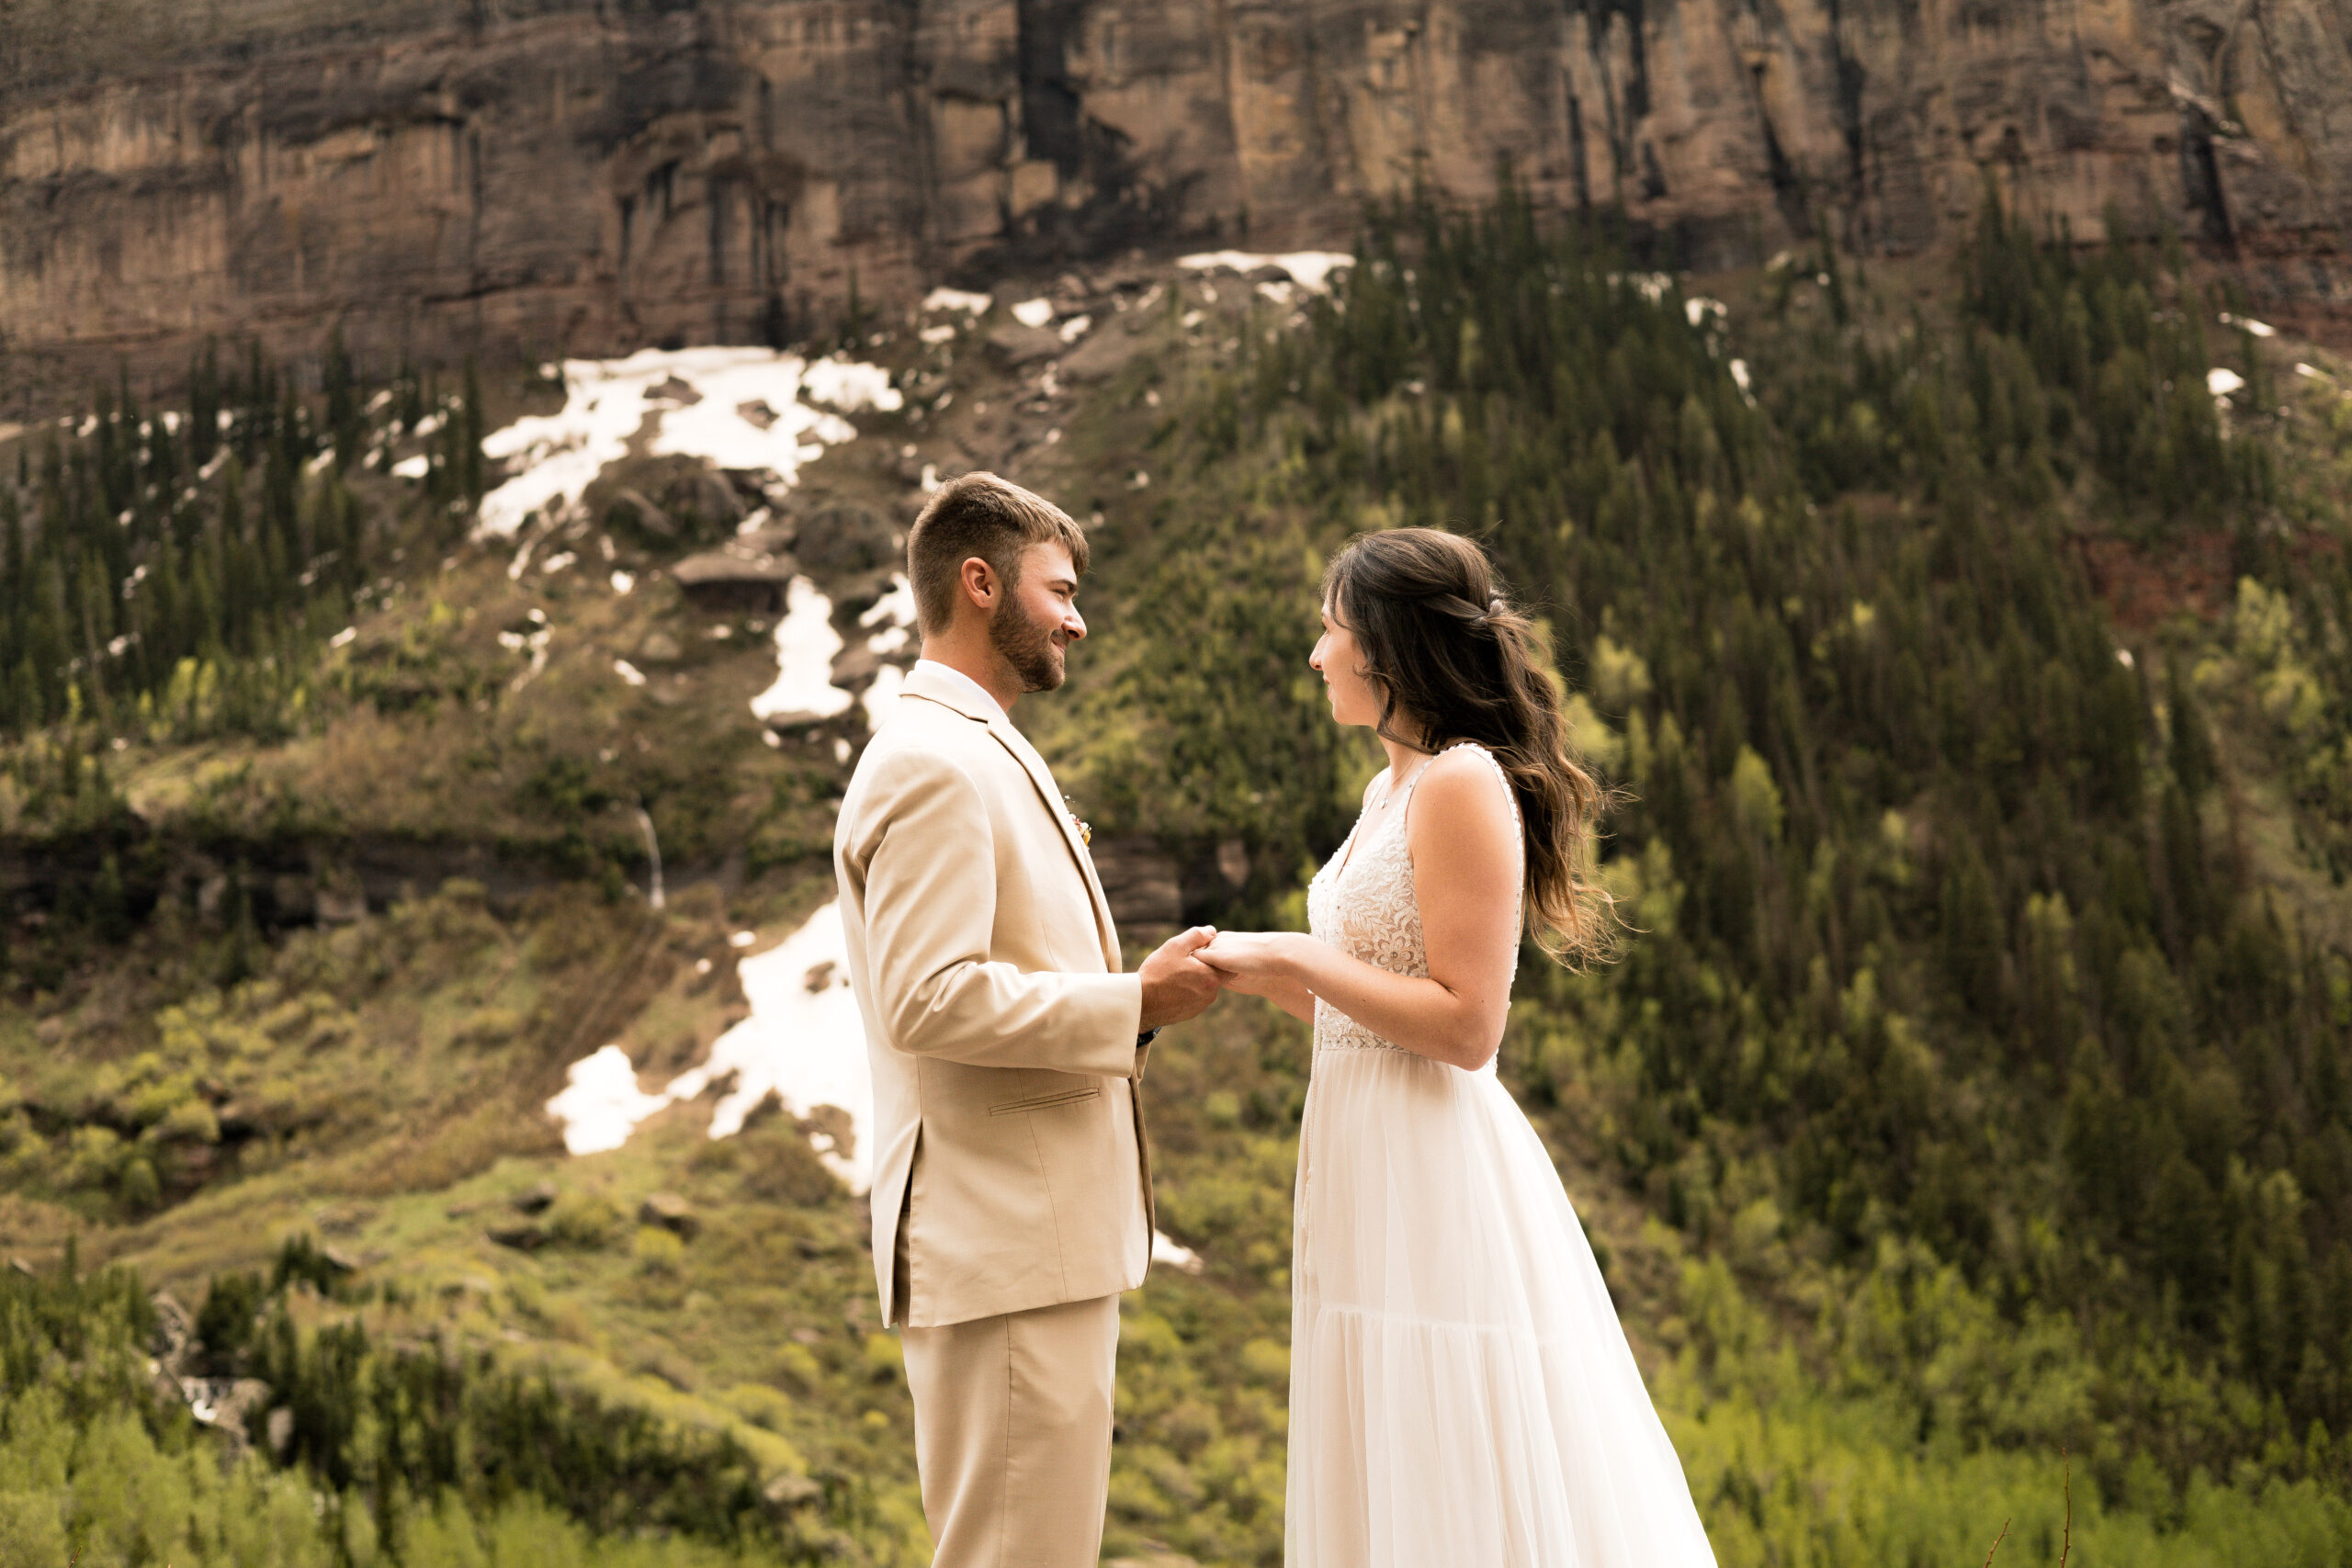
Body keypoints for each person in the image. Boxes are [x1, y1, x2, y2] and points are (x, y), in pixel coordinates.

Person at [1198, 527, 1717, 1567]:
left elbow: (1467, 1025)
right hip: (1357, 1152)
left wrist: (1298, 955)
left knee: (1441, 1429)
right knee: (1378, 1422)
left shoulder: (1459, 783)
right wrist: (1252, 977)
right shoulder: (1385, 791)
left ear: (1386, 648)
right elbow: (1374, 1008)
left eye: (1330, 630)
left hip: (1429, 1167)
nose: (1315, 656)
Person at [832, 471, 1222, 1568]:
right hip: (999, 1244)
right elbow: (927, 996)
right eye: (1058, 590)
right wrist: (1130, 1003)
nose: (1076, 617)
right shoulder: (933, 761)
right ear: (978, 583)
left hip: (1029, 1248)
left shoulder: (969, 744)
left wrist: (1131, 1015)